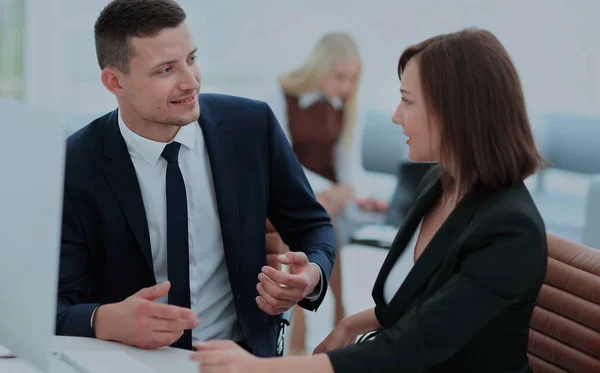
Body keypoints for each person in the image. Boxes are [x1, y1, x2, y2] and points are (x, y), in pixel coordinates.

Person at [190, 28, 548, 373]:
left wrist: (263, 369)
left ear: (455, 112)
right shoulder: (439, 183)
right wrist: (349, 324)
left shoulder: (510, 231)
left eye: (407, 101)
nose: (395, 116)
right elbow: (416, 301)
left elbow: (411, 347)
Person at [55, 0, 337, 358]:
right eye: (166, 70)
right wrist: (104, 320)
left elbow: (314, 227)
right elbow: (50, 304)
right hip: (129, 360)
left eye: (192, 58)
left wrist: (309, 277)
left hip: (244, 356)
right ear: (115, 81)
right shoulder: (74, 164)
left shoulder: (252, 127)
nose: (191, 82)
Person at [267, 32, 387, 354]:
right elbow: (282, 161)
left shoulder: (347, 106)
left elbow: (349, 167)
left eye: (352, 79)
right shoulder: (281, 94)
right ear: (320, 68)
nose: (347, 87)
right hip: (292, 191)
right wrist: (329, 191)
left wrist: (360, 198)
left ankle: (297, 340)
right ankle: (337, 310)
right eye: (340, 77)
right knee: (318, 211)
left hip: (329, 201)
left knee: (316, 220)